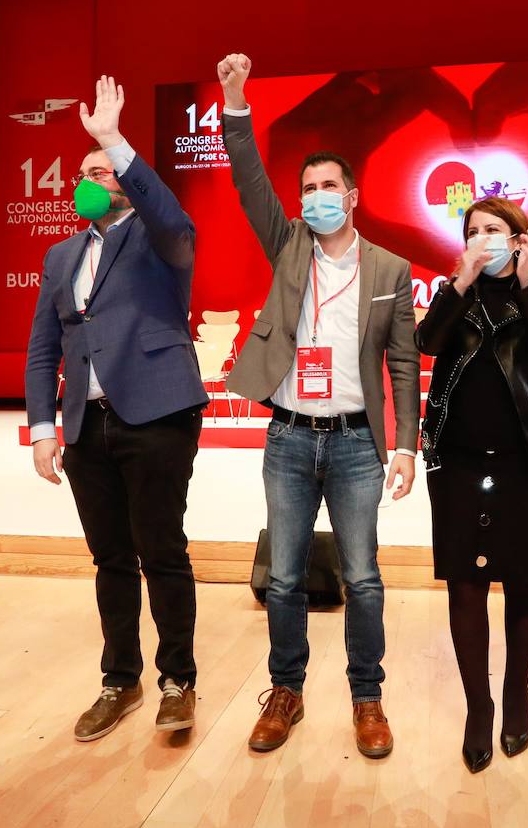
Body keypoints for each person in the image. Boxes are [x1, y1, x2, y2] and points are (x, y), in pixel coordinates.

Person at [216, 53, 420, 760]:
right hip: (291, 440)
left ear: (354, 195)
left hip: (360, 445)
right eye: (308, 186)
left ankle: (368, 698)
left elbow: (401, 363)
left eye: (329, 185)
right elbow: (247, 180)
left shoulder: (391, 269)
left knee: (363, 579)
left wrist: (405, 446)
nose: (316, 195)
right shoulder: (289, 244)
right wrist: (236, 102)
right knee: (283, 580)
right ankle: (286, 692)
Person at [25, 76, 206, 742]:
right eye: (82, 172)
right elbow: (44, 345)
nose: (88, 180)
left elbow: (173, 216)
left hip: (157, 414)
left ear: (127, 181)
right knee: (109, 558)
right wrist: (43, 427)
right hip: (86, 425)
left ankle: (177, 680)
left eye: (100, 172)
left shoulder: (160, 240)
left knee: (161, 550)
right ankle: (120, 678)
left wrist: (112, 138)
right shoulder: (60, 254)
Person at [416, 197, 528, 773]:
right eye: (473, 231)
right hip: (457, 461)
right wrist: (457, 285)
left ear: (520, 238)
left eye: (495, 230)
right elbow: (426, 343)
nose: (484, 239)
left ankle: (516, 693)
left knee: (522, 580)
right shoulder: (452, 294)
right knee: (465, 582)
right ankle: (478, 706)